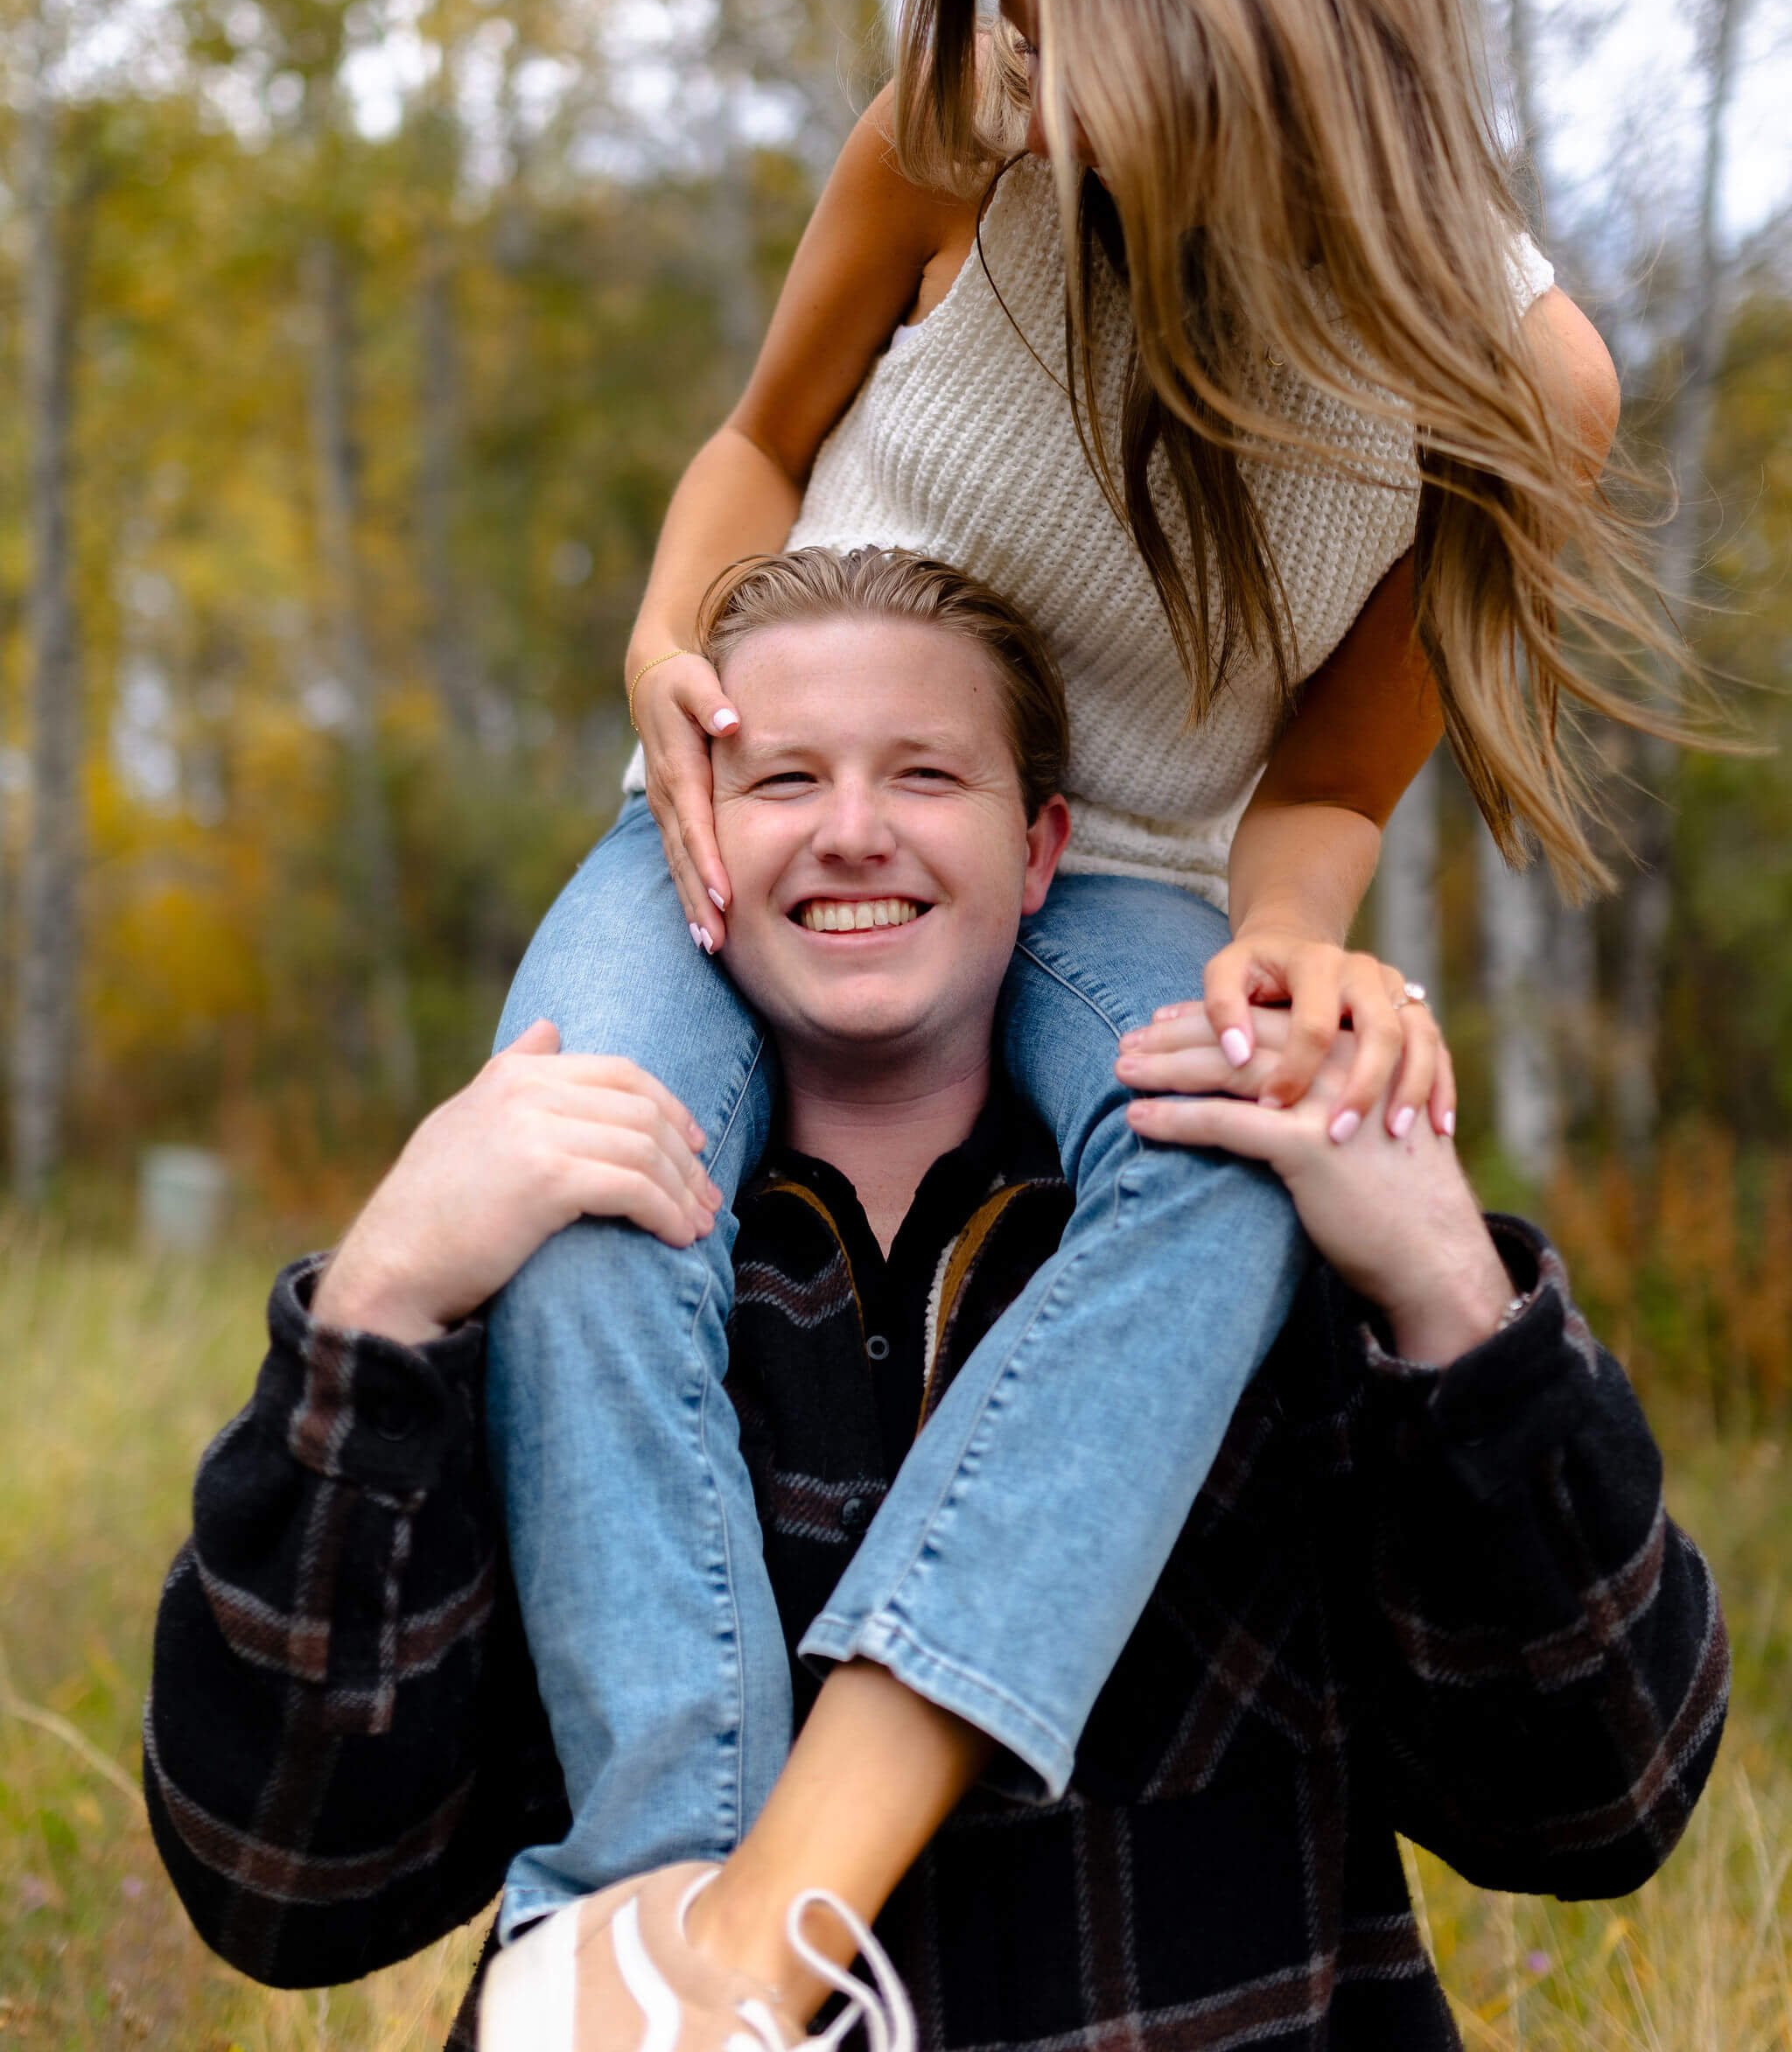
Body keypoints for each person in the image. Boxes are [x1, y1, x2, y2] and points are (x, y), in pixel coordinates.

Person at [480, 0, 1643, 1985]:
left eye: (1070, 38)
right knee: (573, 1161)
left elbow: (1325, 774)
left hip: (1115, 875)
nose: (1031, 91)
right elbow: (754, 441)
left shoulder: (1518, 383)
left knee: (1222, 1182)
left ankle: (771, 1932)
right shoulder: (962, 118)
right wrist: (661, 641)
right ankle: (636, 1927)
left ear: (1257, 15)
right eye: (1006, 30)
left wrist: (1293, 951)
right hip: (756, 815)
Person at [144, 553, 1728, 2052]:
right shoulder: (559, 1280)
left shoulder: (1260, 1245)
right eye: (781, 780)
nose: (851, 833)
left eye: (923, 775)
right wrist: (381, 1303)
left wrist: (1449, 1291)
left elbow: (1600, 1800)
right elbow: (286, 1880)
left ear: (1042, 848)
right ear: (689, 831)